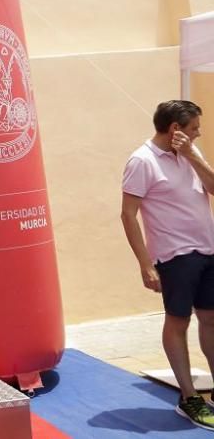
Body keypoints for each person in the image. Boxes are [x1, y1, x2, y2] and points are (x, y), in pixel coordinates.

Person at [121, 100, 214, 430]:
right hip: (175, 256)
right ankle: (189, 398)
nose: (198, 132)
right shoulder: (142, 160)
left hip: (208, 250)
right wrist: (145, 264)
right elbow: (128, 215)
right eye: (194, 128)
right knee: (178, 321)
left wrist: (191, 155)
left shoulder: (191, 153)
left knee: (211, 319)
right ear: (176, 129)